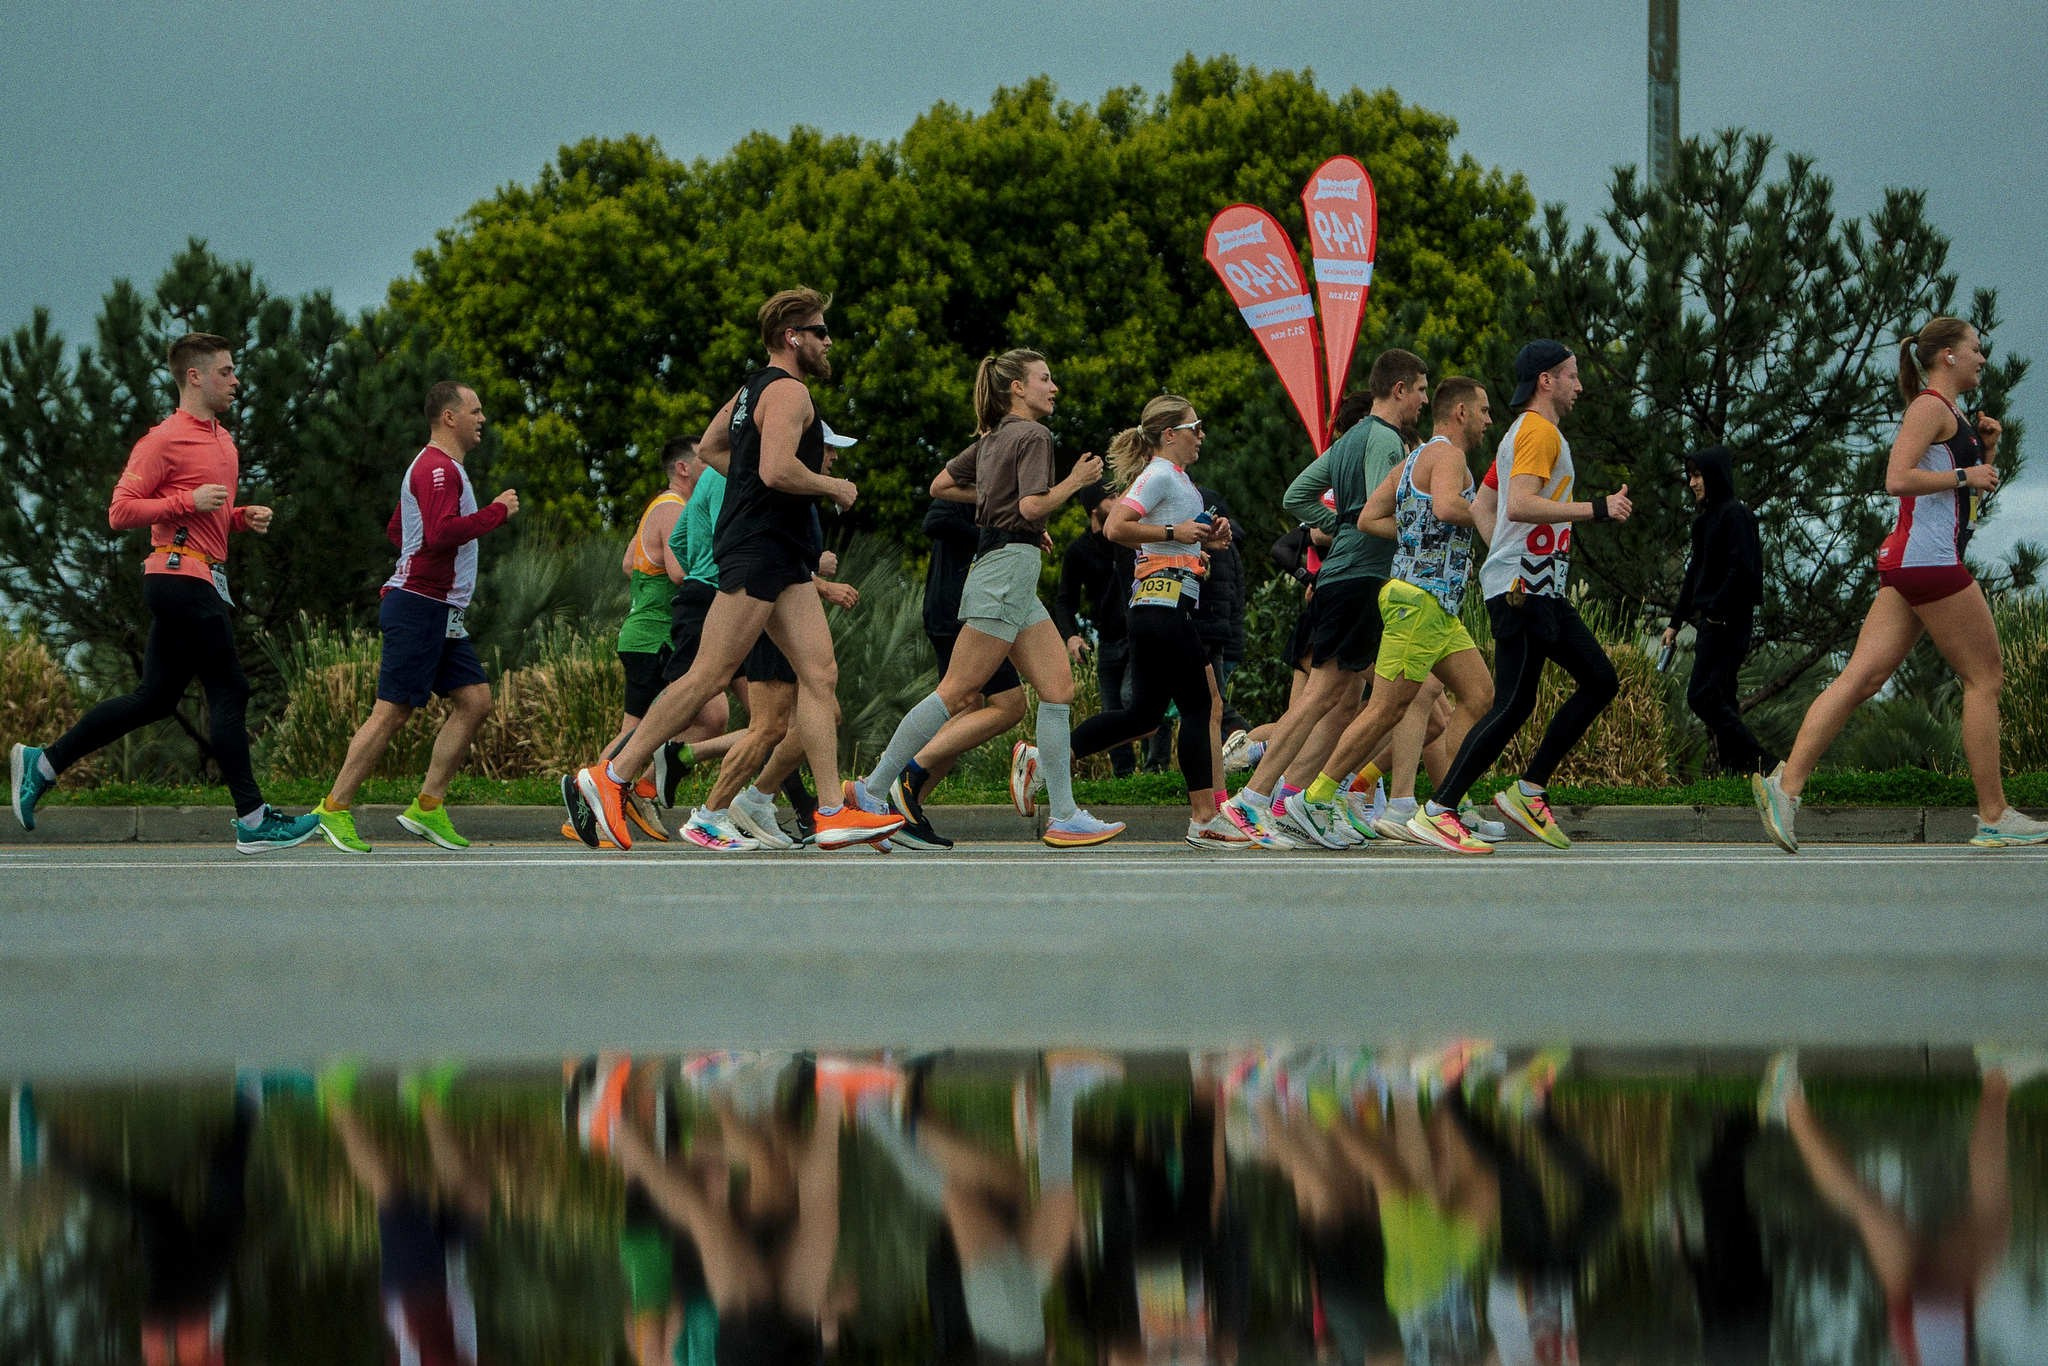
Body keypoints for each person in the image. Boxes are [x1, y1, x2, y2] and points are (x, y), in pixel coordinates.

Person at [562, 288, 901, 852]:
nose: (828, 341)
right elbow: (774, 469)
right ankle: (612, 776)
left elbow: (713, 446)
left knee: (820, 678)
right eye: (820, 331)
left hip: (782, 554)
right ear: (793, 336)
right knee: (707, 677)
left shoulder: (750, 390)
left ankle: (832, 812)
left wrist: (750, 476)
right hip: (760, 551)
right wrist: (830, 485)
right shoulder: (791, 392)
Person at [10, 333, 320, 853]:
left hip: (198, 577)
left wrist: (241, 518)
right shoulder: (163, 440)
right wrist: (185, 499)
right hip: (177, 579)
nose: (235, 380)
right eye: (225, 371)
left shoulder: (223, 440)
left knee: (153, 699)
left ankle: (43, 763)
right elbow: (120, 511)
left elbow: (208, 515)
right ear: (193, 377)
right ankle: (252, 819)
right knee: (230, 689)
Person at [1755, 317, 2048, 851]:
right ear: (1948, 356)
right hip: (1929, 562)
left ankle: (1785, 786)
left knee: (1861, 679)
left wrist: (1985, 455)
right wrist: (1966, 473)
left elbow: (1963, 507)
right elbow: (1896, 478)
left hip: (1914, 562)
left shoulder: (1953, 415)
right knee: (1986, 679)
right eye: (1975, 349)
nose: (1983, 358)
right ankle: (1993, 814)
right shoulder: (1929, 407)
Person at [856, 349, 1124, 849]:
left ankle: (1064, 815)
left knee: (1058, 688)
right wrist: (1075, 482)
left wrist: (998, 513)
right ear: (1017, 388)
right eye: (1046, 379)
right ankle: (871, 791)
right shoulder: (1034, 435)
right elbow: (1031, 504)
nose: (1054, 387)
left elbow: (942, 485)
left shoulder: (994, 437)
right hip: (1003, 574)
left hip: (1011, 570)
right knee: (958, 692)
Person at [1415, 340, 1634, 850]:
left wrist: (1502, 556)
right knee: (1544, 694)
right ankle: (1449, 807)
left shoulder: (1520, 434)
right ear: (1546, 380)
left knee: (1550, 693)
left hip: (1527, 584)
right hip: (1527, 589)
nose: (1580, 386)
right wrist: (1596, 508)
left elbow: (1486, 503)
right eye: (1572, 376)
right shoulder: (1537, 431)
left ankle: (1519, 792)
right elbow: (1518, 503)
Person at [1222, 352, 1429, 850]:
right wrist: (1404, 530)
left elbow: (1297, 497)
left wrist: (1338, 524)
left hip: (1346, 579)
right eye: (1421, 389)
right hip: (1360, 579)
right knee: (1322, 697)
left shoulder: (1350, 439)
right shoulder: (1384, 440)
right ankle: (1251, 799)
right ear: (1398, 389)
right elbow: (1381, 510)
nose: (1425, 399)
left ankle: (1300, 799)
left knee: (1345, 700)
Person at [310, 382, 518, 853]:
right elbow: (441, 534)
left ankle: (428, 807)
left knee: (475, 699)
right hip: (420, 603)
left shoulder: (441, 469)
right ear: (449, 417)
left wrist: (419, 561)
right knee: (393, 710)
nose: (482, 419)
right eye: (475, 410)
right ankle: (334, 808)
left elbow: (399, 528)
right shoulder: (439, 468)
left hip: (438, 607)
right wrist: (496, 513)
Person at [1304, 377, 1500, 854]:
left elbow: (1370, 517)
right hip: (1420, 601)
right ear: (1460, 413)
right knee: (1386, 708)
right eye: (1484, 410)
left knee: (1480, 694)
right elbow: (1450, 505)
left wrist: (1415, 536)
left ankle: (1445, 804)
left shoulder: (1412, 459)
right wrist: (1492, 517)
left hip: (1436, 604)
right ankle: (1316, 798)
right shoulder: (1449, 456)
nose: (1489, 420)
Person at [1065, 396, 1246, 848]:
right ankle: (1204, 817)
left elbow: (1172, 544)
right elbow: (1116, 528)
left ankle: (1046, 753)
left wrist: (1204, 542)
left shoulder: (1179, 481)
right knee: (1200, 706)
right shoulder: (1159, 474)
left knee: (1143, 715)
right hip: (1162, 610)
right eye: (1195, 427)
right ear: (1169, 435)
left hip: (1159, 608)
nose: (1201, 435)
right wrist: (1175, 534)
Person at [602, 437, 700, 842]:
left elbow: (630, 562)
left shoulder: (656, 507)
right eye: (704, 460)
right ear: (683, 467)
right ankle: (593, 803)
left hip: (644, 634)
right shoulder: (674, 509)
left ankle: (640, 787)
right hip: (653, 637)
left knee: (708, 715)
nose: (711, 466)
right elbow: (680, 573)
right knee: (635, 729)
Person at [1661, 445, 1771, 777]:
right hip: (1712, 622)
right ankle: (1740, 772)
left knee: (1701, 695)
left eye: (1698, 475)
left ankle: (1765, 763)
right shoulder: (1704, 522)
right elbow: (1695, 574)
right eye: (1690, 476)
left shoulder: (1736, 515)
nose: (1693, 483)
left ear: (1715, 476)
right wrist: (1676, 623)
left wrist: (1718, 610)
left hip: (1730, 622)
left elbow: (1743, 569)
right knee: (1722, 695)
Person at [1053, 487, 1137, 778]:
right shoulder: (1079, 550)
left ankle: (1158, 766)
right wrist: (1072, 635)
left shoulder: (1129, 540)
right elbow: (1065, 600)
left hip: (1138, 634)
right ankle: (1124, 776)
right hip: (1108, 639)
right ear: (1094, 509)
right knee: (1111, 708)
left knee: (1134, 698)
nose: (1117, 502)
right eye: (1110, 498)